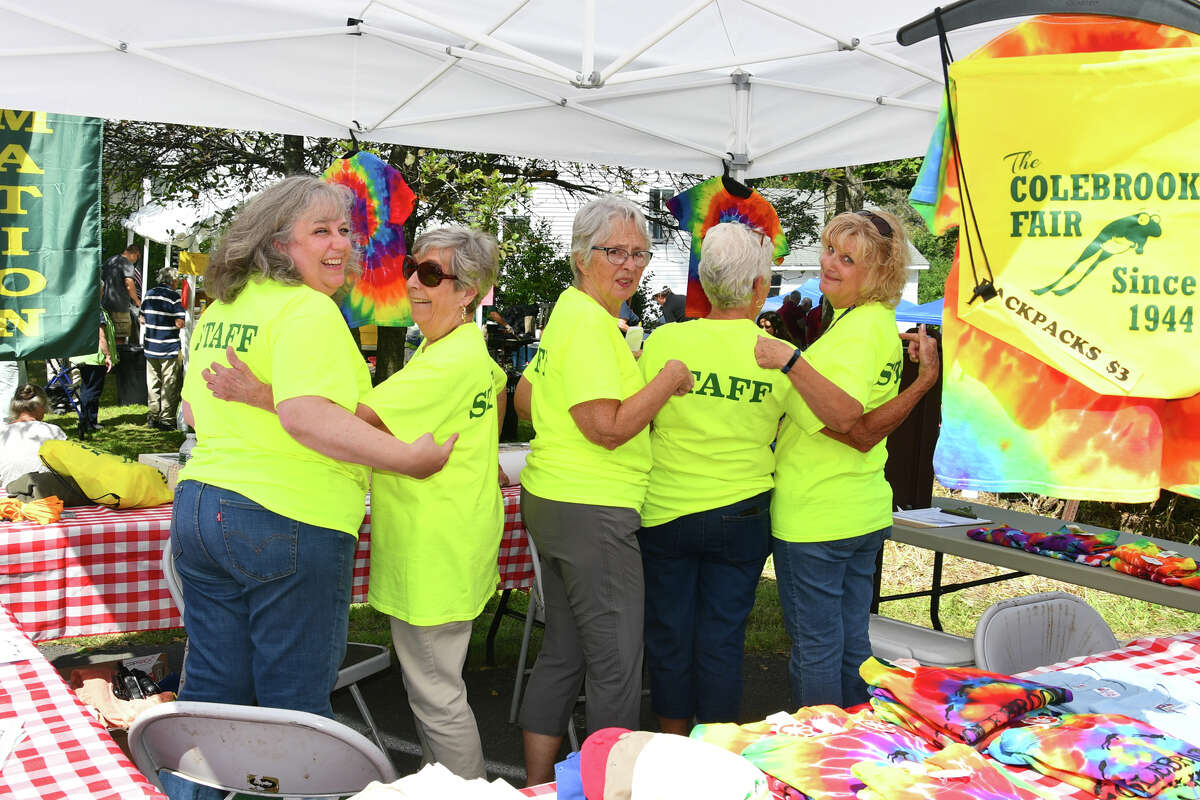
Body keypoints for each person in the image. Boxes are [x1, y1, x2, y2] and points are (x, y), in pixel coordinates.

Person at [205, 226, 508, 779]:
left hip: (437, 546)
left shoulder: (450, 359)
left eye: (433, 274)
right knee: (434, 688)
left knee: (436, 696)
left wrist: (259, 394)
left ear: (468, 291)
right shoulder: (458, 351)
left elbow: (351, 420)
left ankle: (465, 792)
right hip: (449, 536)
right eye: (413, 268)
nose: (415, 282)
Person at [169, 176, 455, 757]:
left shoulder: (225, 306)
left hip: (201, 506)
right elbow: (306, 416)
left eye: (345, 230)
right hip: (288, 517)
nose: (341, 244)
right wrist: (408, 459)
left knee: (210, 693)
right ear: (278, 245)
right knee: (295, 708)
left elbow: (194, 408)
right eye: (319, 231)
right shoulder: (307, 309)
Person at [512, 195, 694, 785]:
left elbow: (524, 399)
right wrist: (664, 379)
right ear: (580, 255)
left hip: (554, 499)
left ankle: (540, 785)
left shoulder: (571, 313)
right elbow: (608, 428)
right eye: (615, 251)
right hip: (594, 510)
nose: (631, 264)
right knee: (616, 667)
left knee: (564, 652)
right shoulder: (590, 323)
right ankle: (608, 790)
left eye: (640, 253)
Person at [755, 209, 940, 709]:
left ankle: (822, 754)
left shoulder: (859, 332)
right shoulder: (871, 324)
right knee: (851, 645)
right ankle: (858, 744)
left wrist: (790, 362)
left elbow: (849, 422)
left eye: (848, 259)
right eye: (829, 250)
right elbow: (861, 428)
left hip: (817, 516)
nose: (829, 264)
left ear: (878, 273)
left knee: (817, 649)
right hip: (859, 511)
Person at [636, 222, 789, 733]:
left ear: (704, 280)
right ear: (759, 288)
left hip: (667, 509)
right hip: (742, 511)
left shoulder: (665, 340)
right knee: (723, 635)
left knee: (669, 632)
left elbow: (641, 413)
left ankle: (674, 744)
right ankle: (715, 751)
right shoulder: (776, 355)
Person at [141, 265, 187, 430]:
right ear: (173, 281)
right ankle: (166, 419)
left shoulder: (149, 294)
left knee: (153, 382)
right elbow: (179, 323)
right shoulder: (174, 297)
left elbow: (142, 319)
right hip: (168, 346)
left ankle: (153, 416)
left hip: (151, 346)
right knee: (169, 383)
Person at [0, 385, 67, 487]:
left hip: (7, 490)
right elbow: (66, 467)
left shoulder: (2, 432)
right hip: (44, 489)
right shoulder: (54, 431)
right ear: (40, 406)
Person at [73, 309, 116, 436]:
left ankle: (89, 420)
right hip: (94, 357)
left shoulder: (84, 305)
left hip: (83, 355)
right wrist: (107, 355)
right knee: (92, 391)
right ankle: (86, 421)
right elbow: (101, 335)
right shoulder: (96, 310)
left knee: (87, 389)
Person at [101, 243, 142, 344]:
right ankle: (119, 359)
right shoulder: (127, 263)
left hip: (105, 305)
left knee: (107, 335)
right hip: (120, 308)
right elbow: (129, 283)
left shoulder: (110, 261)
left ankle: (108, 357)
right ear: (135, 254)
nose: (136, 261)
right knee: (120, 337)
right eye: (137, 258)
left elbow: (101, 282)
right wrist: (137, 301)